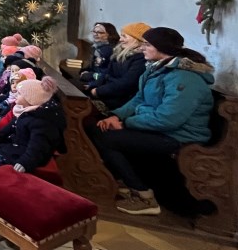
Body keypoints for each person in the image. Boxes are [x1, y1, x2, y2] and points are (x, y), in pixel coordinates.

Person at [87, 27, 214, 216]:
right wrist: (116, 116)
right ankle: (127, 179)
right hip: (159, 129)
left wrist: (126, 124)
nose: (142, 48)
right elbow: (139, 99)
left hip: (178, 136)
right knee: (97, 127)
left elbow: (169, 118)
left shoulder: (185, 77)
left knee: (108, 139)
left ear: (162, 48)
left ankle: (144, 196)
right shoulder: (158, 69)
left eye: (147, 44)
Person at [0, 77, 65, 173]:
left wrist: (25, 162)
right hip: (20, 144)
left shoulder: (42, 122)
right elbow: (10, 127)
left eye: (19, 94)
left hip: (30, 154)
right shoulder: (26, 110)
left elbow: (38, 146)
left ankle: (0, 182)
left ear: (31, 99)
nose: (15, 96)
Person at [85, 22, 150, 113]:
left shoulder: (140, 59)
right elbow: (107, 74)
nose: (120, 39)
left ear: (136, 39)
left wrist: (98, 91)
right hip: (107, 95)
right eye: (121, 36)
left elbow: (126, 84)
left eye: (124, 36)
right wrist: (93, 86)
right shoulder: (119, 53)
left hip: (118, 102)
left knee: (79, 108)